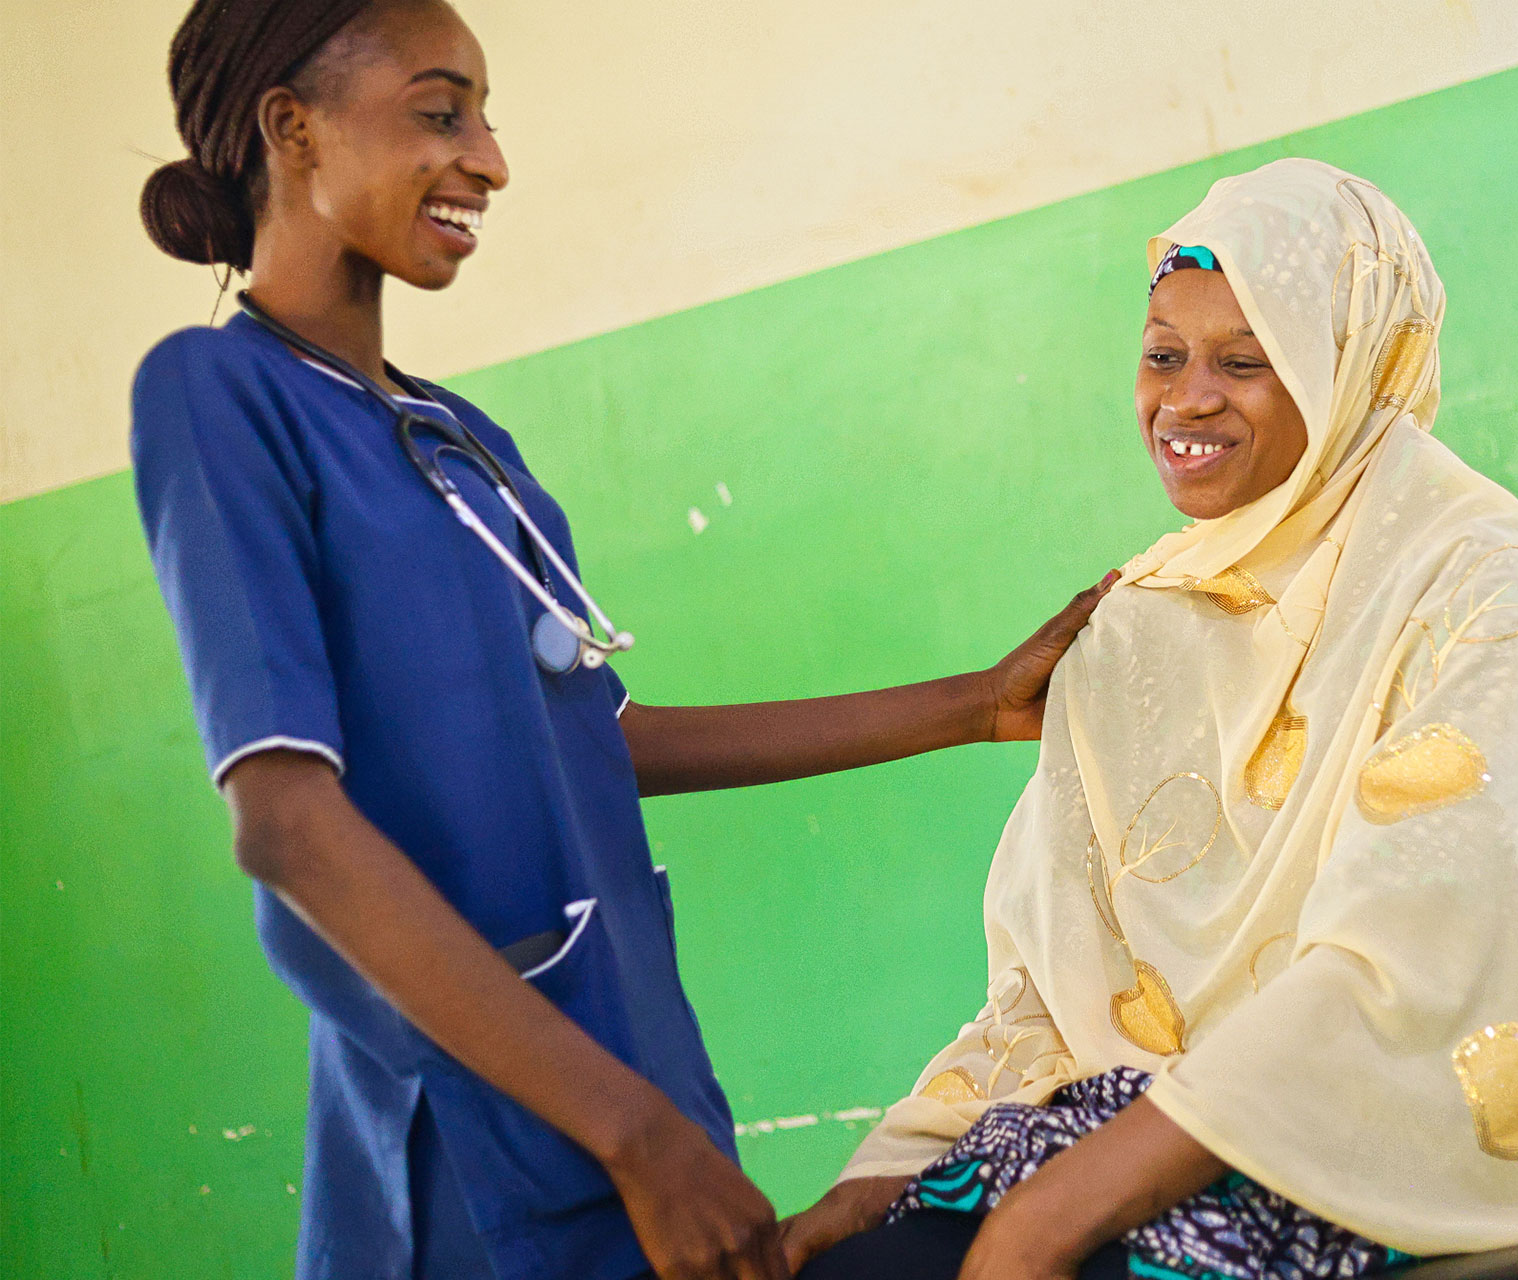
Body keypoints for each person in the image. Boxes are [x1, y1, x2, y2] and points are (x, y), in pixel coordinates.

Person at [129, 3, 1112, 1277]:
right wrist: (633, 1131)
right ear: (290, 127)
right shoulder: (217, 395)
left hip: (628, 1068)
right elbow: (287, 820)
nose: (488, 158)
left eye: (486, 117)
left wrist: (973, 705)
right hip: (482, 1131)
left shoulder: (468, 445)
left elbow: (604, 737)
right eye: (442, 113)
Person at [780, 159, 1518, 1280]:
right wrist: (888, 1169)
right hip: (1152, 1114)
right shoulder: (1138, 618)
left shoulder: (1491, 587)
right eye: (1163, 354)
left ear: (1347, 368)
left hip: (1408, 1129)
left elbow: (1421, 941)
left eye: (1248, 359)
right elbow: (1053, 972)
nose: (1186, 399)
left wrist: (1052, 1214)